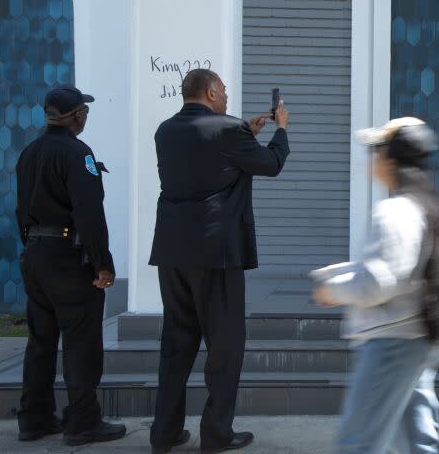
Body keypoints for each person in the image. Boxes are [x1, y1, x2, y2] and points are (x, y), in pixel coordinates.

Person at [148, 69, 290, 454]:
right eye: (224, 91)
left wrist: (244, 130)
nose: (227, 97)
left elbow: (206, 154)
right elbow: (271, 165)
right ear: (211, 92)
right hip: (216, 253)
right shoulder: (230, 131)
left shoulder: (165, 130)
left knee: (176, 343)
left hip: (172, 251)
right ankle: (216, 434)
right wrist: (280, 131)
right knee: (225, 346)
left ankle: (164, 433)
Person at [310, 117, 439, 454]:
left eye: (377, 151)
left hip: (390, 341)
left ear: (391, 159)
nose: (373, 159)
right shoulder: (423, 206)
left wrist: (333, 290)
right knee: (418, 443)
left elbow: (380, 279)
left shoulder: (395, 211)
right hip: (415, 336)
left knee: (357, 443)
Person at [15, 85, 126, 446]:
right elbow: (89, 213)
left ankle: (33, 419)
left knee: (40, 340)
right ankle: (82, 422)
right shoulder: (79, 154)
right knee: (80, 340)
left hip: (35, 254)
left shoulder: (29, 153)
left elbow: (20, 210)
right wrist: (102, 264)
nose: (86, 117)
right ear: (76, 115)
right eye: (85, 111)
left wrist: (33, 249)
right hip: (67, 257)